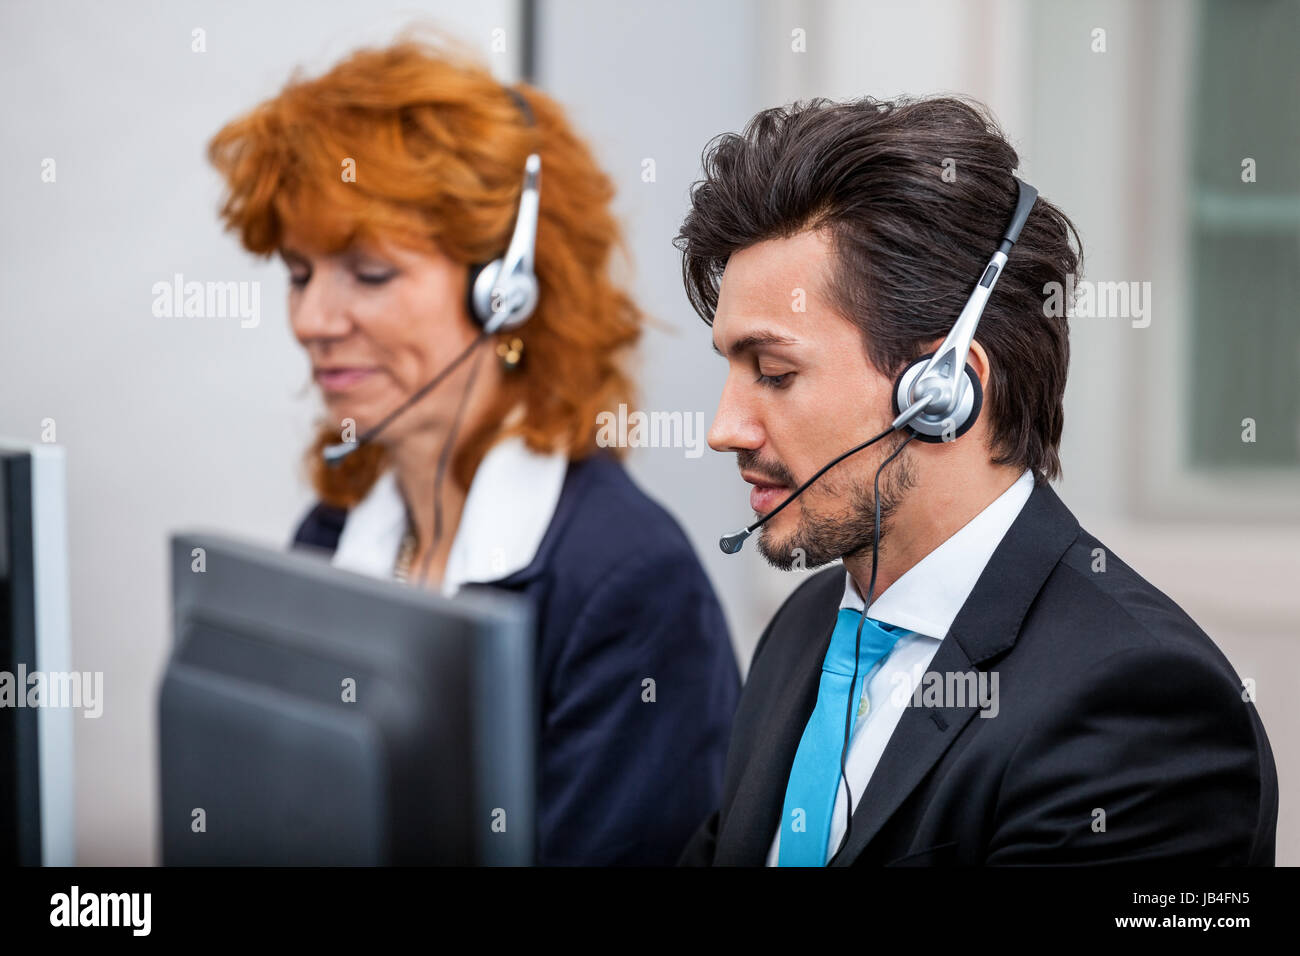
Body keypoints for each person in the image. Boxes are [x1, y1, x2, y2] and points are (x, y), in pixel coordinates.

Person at [674, 95, 1277, 866]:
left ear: (944, 390)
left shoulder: (1140, 707)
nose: (724, 428)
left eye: (775, 373)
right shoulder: (807, 631)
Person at [207, 37, 739, 865]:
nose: (312, 319)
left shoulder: (629, 587)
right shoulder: (332, 532)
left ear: (508, 292)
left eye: (368, 273)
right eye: (301, 272)